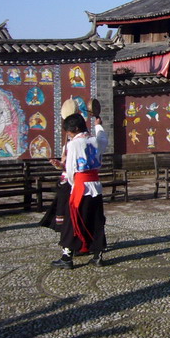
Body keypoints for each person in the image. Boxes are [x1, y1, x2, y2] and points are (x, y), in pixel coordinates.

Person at [53, 112, 107, 268]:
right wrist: (98, 124)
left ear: (74, 129)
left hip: (80, 187)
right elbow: (103, 139)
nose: (68, 135)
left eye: (68, 131)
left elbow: (70, 169)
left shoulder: (73, 144)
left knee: (73, 220)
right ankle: (98, 255)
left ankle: (67, 257)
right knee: (97, 220)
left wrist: (72, 182)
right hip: (96, 186)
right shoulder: (95, 140)